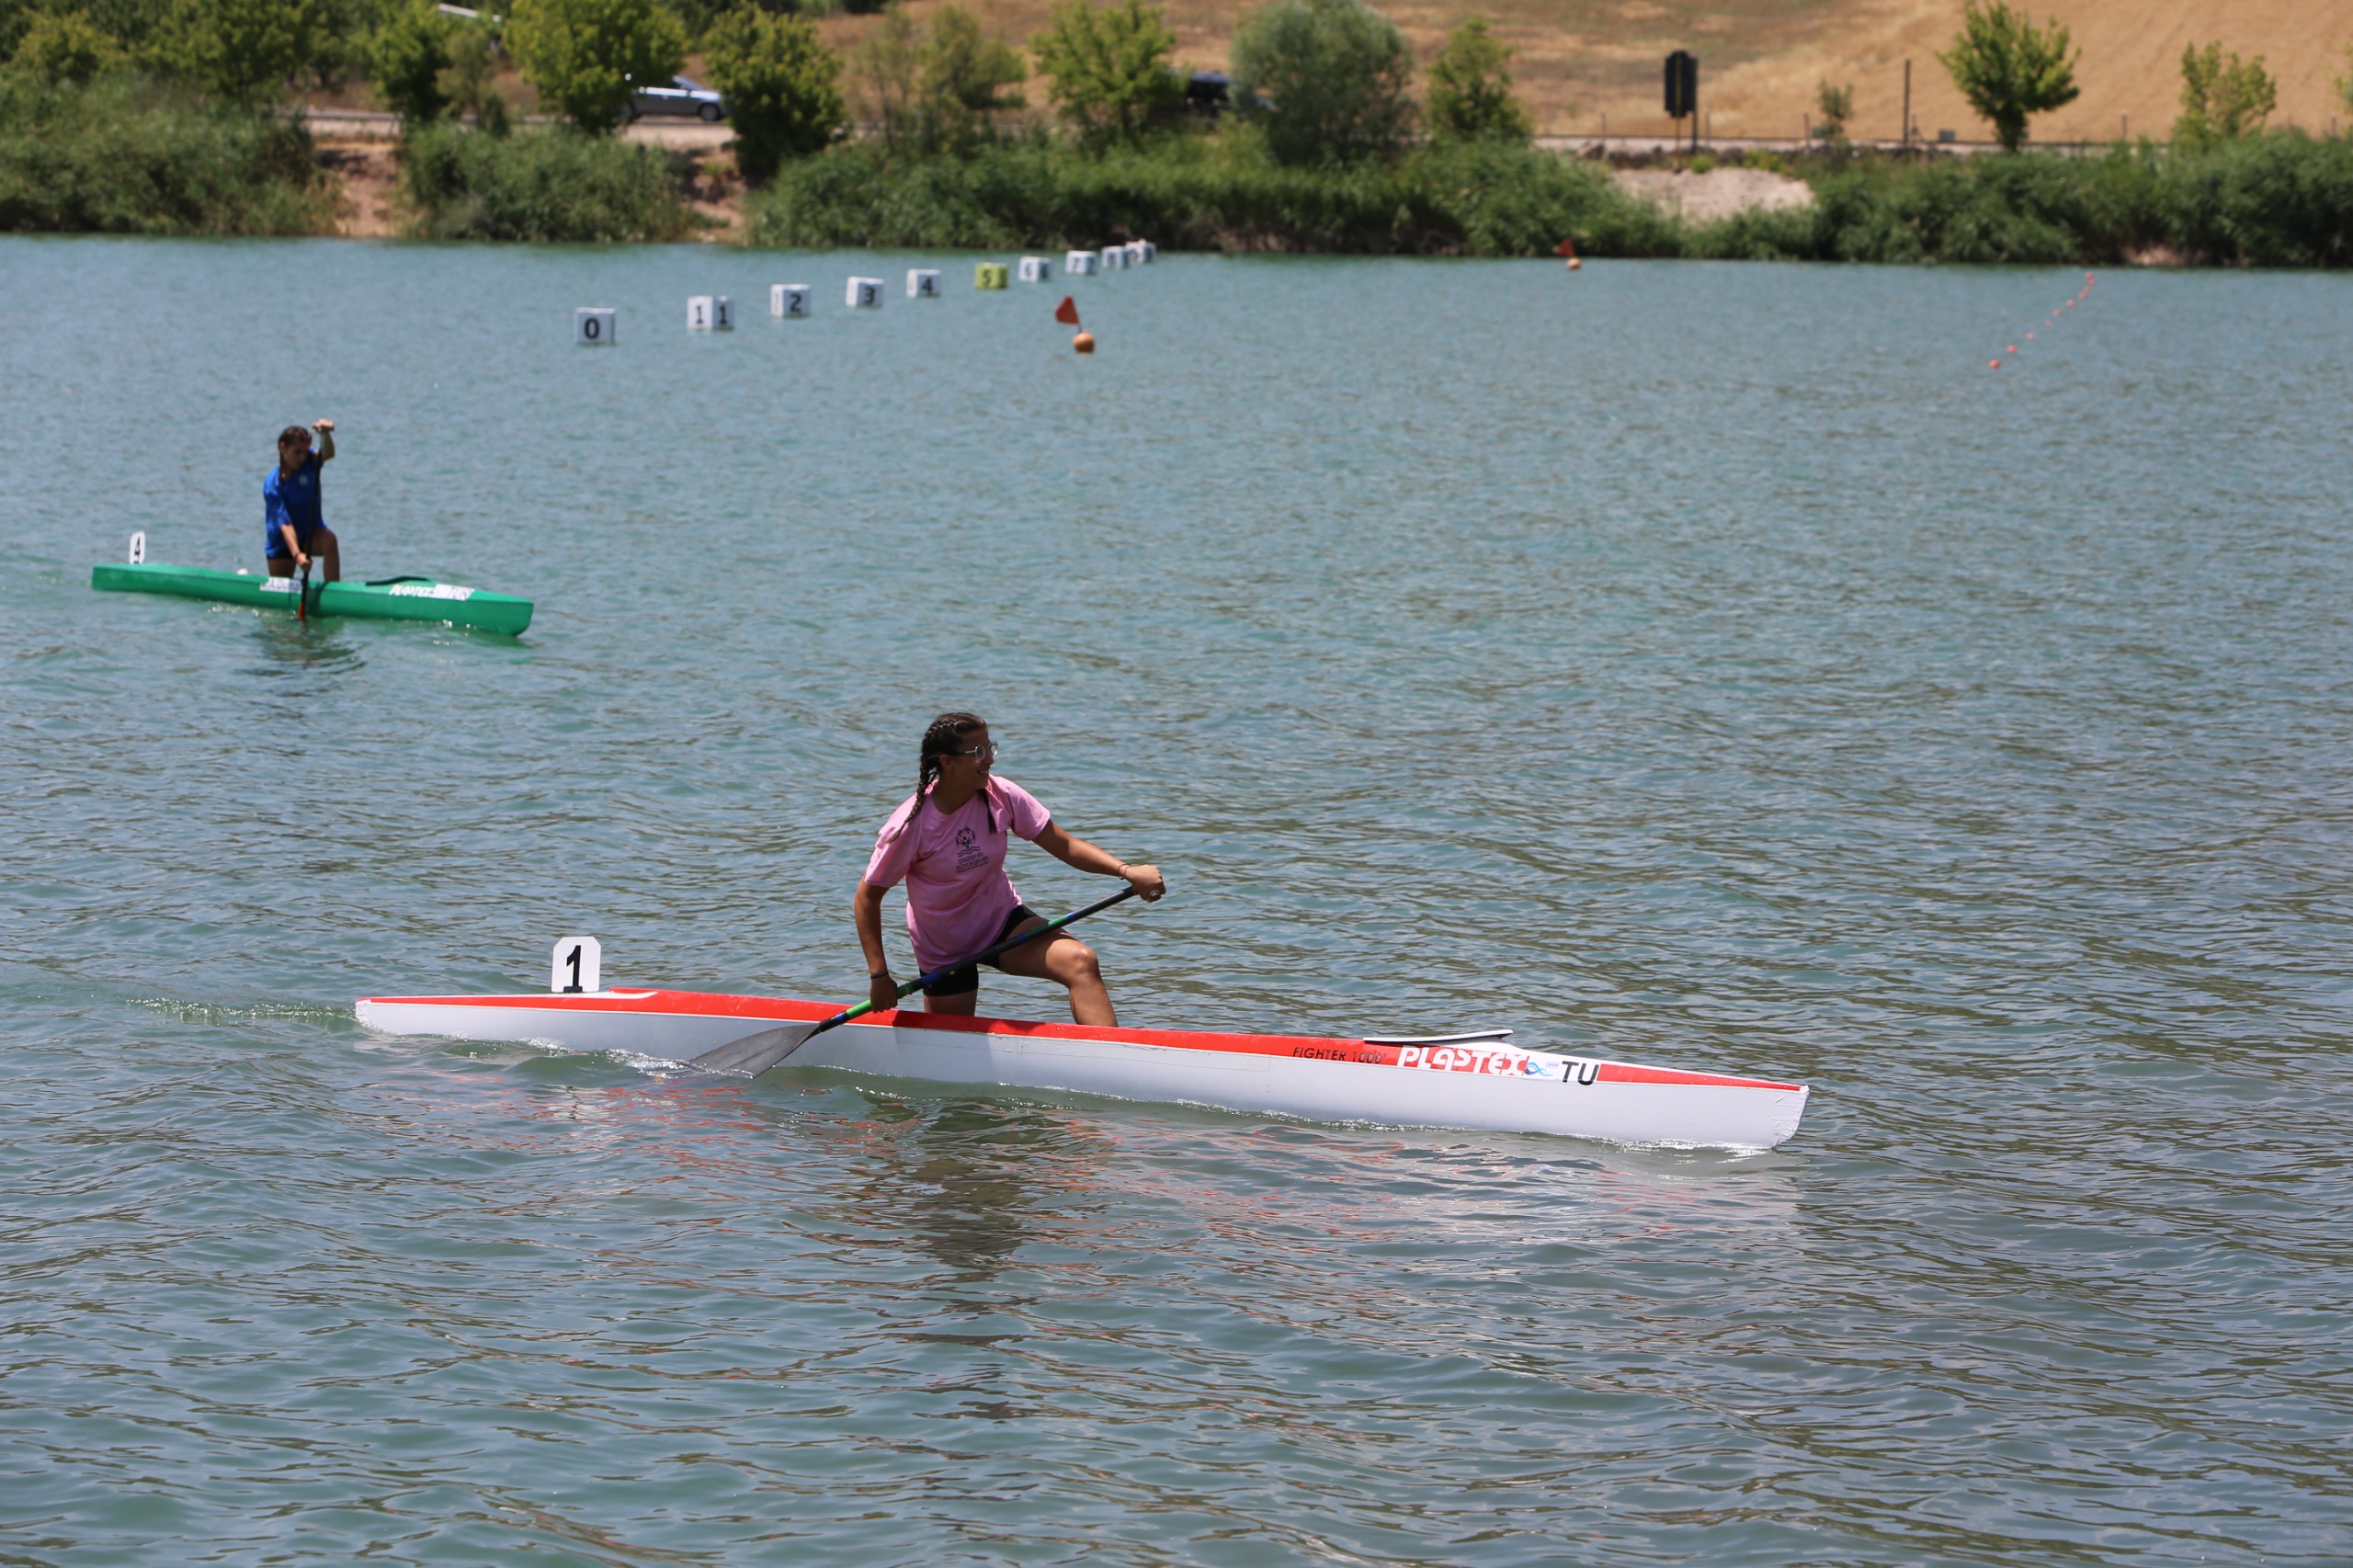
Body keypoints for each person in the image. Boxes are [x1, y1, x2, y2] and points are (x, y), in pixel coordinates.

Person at [856, 712, 1165, 1026]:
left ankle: (1105, 1051)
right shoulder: (909, 827)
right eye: (978, 752)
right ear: (948, 763)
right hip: (945, 946)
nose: (989, 759)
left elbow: (1066, 846)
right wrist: (879, 975)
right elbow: (867, 898)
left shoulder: (1000, 794)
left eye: (990, 748)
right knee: (952, 1039)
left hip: (1001, 922)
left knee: (1081, 962)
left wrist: (1127, 871)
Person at [264, 419, 338, 581]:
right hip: (282, 542)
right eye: (298, 452)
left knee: (329, 540)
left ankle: (334, 590)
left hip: (309, 534)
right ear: (283, 447)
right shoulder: (273, 484)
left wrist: (325, 435)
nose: (303, 457)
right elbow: (285, 524)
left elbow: (328, 454)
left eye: (305, 451)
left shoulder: (310, 461)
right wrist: (297, 555)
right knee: (282, 588)